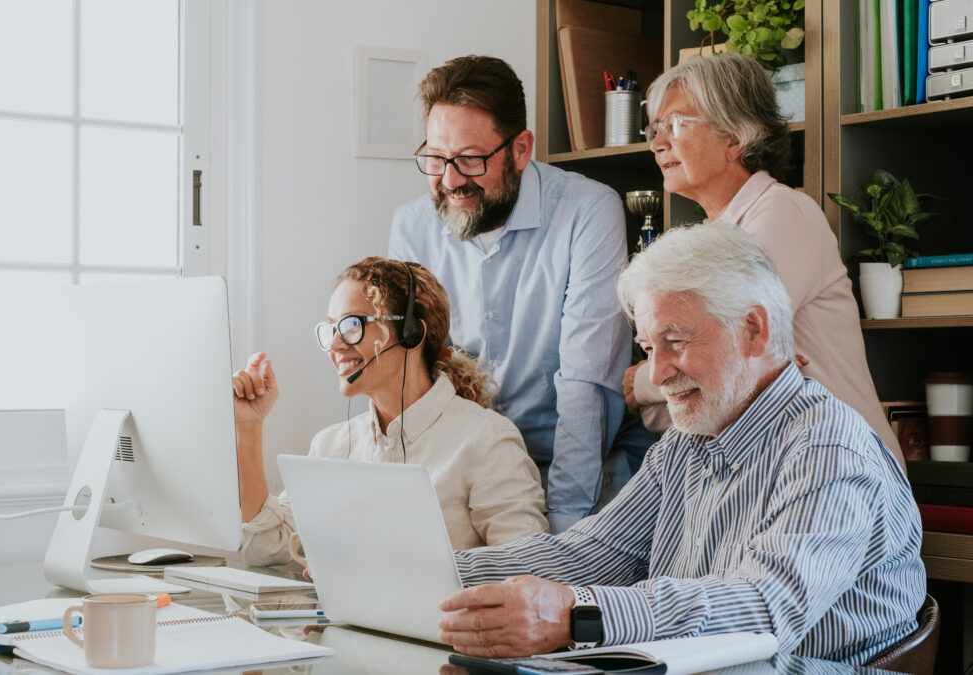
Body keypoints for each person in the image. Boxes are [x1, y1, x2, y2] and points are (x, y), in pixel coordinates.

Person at [437, 224, 924, 664]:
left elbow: (764, 609)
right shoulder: (686, 443)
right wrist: (433, 570)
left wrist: (574, 615)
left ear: (753, 330)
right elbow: (589, 553)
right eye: (649, 348)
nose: (656, 374)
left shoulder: (829, 448)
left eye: (676, 342)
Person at [389, 55, 640, 533]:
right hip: (465, 468)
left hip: (571, 464)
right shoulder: (412, 226)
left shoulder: (588, 211)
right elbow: (411, 373)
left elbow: (585, 382)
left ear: (521, 149)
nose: (450, 180)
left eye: (470, 158)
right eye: (436, 158)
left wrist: (561, 531)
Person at [622, 52, 904, 468]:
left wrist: (643, 381)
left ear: (735, 137)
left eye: (676, 124)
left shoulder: (782, 212)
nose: (658, 143)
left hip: (839, 467)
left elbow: (733, 354)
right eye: (655, 128)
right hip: (769, 463)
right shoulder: (715, 234)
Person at [233, 257, 548, 566]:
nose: (335, 345)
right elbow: (262, 547)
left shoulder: (487, 440)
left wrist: (389, 568)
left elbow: (529, 569)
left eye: (352, 325)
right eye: (331, 329)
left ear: (411, 333)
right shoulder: (330, 446)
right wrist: (248, 427)